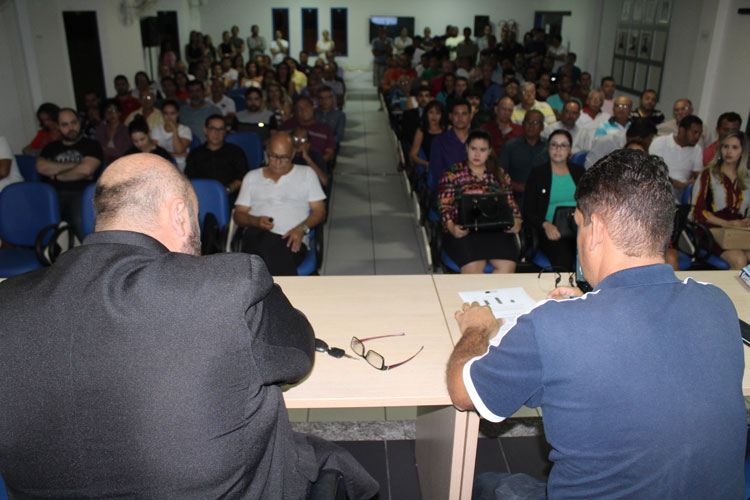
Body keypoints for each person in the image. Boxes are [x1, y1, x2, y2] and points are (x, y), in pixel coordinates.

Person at [0, 152, 378, 499]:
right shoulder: (230, 285)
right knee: (335, 464)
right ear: (180, 214)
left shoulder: (7, 302)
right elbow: (297, 356)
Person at [448, 147, 745, 500]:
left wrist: (476, 328)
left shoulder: (552, 326)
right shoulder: (718, 303)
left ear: (597, 230)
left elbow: (462, 393)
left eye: (579, 225)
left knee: (488, 485)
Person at [234, 132, 326, 276]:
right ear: (267, 152)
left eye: (283, 157)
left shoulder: (307, 174)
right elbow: (238, 216)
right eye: (273, 156)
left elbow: (320, 211)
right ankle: (287, 292)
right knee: (261, 238)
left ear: (293, 153)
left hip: (291, 240)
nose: (277, 162)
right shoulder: (251, 177)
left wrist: (301, 229)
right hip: (255, 237)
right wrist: (255, 221)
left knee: (264, 255)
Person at [438, 129, 522, 273]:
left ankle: (495, 295)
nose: (477, 154)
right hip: (464, 230)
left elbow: (510, 203)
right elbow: (445, 206)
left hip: (495, 229)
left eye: (482, 150)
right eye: (473, 149)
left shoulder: (500, 174)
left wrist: (517, 219)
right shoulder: (452, 174)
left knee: (507, 265)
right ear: (467, 148)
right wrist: (451, 227)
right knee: (475, 267)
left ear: (489, 151)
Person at [523, 129, 585, 271]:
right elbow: (528, 210)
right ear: (548, 147)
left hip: (579, 229)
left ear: (570, 149)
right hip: (552, 231)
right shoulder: (538, 174)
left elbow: (589, 203)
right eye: (554, 145)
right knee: (564, 258)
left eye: (563, 145)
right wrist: (545, 225)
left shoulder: (579, 172)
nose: (558, 149)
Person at [36, 108, 103, 239]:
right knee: (38, 221)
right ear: (58, 127)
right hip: (53, 194)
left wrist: (56, 175)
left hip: (82, 193)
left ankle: (91, 255)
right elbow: (41, 168)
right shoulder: (51, 148)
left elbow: (86, 170)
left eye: (73, 122)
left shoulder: (92, 145)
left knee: (79, 221)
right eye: (65, 124)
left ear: (79, 122)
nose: (71, 128)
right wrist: (75, 166)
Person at [691, 130, 750, 269]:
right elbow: (697, 212)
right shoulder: (708, 174)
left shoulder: (747, 178)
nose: (728, 151)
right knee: (739, 260)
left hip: (739, 231)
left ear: (743, 152)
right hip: (711, 230)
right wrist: (728, 224)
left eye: (734, 147)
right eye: (725, 146)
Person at [185, 114, 248, 203]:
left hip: (229, 197)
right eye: (212, 129)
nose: (216, 133)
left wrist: (227, 190)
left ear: (225, 131)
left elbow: (243, 177)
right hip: (201, 196)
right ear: (205, 131)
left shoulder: (236, 152)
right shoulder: (195, 154)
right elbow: (189, 178)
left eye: (220, 129)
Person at [648, 115, 703, 201]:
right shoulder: (660, 142)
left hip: (683, 190)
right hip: (660, 185)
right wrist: (678, 184)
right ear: (682, 130)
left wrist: (686, 184)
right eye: (694, 132)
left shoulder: (697, 149)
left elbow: (698, 176)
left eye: (700, 134)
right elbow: (654, 171)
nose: (697, 137)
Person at [500, 109, 549, 196]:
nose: (531, 125)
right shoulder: (509, 146)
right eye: (528, 121)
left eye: (536, 122)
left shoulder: (549, 147)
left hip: (542, 194)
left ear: (542, 127)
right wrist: (516, 186)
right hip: (515, 194)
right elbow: (500, 174)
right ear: (522, 124)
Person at [428, 98, 472, 194]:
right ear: (450, 116)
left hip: (474, 192)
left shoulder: (478, 140)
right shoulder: (439, 142)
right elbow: (438, 174)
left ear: (470, 116)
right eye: (456, 114)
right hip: (447, 193)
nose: (460, 118)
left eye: (464, 114)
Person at [585, 118, 656, 170]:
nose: (650, 143)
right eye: (649, 139)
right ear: (639, 138)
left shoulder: (639, 149)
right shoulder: (605, 141)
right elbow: (590, 166)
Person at [281, 97, 336, 163]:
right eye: (299, 108)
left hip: (316, 165)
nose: (303, 110)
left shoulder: (325, 128)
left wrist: (315, 164)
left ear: (312, 107)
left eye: (306, 106)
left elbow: (329, 154)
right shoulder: (287, 126)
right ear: (295, 111)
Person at [151, 99, 192, 172]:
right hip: (161, 163)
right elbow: (154, 152)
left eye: (172, 113)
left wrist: (174, 130)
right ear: (162, 114)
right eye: (166, 113)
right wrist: (174, 155)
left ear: (177, 114)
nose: (169, 117)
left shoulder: (185, 130)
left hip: (181, 165)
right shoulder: (156, 130)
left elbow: (179, 150)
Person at [410, 100, 446, 172]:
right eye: (431, 112)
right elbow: (412, 155)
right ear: (426, 114)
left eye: (437, 113)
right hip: (429, 167)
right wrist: (426, 164)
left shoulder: (448, 130)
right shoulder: (421, 131)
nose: (434, 116)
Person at [95, 98, 131, 164]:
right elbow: (98, 150)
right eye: (107, 112)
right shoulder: (100, 130)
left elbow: (123, 152)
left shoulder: (126, 130)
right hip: (104, 163)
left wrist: (106, 150)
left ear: (119, 112)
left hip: (123, 162)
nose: (111, 114)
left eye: (114, 111)